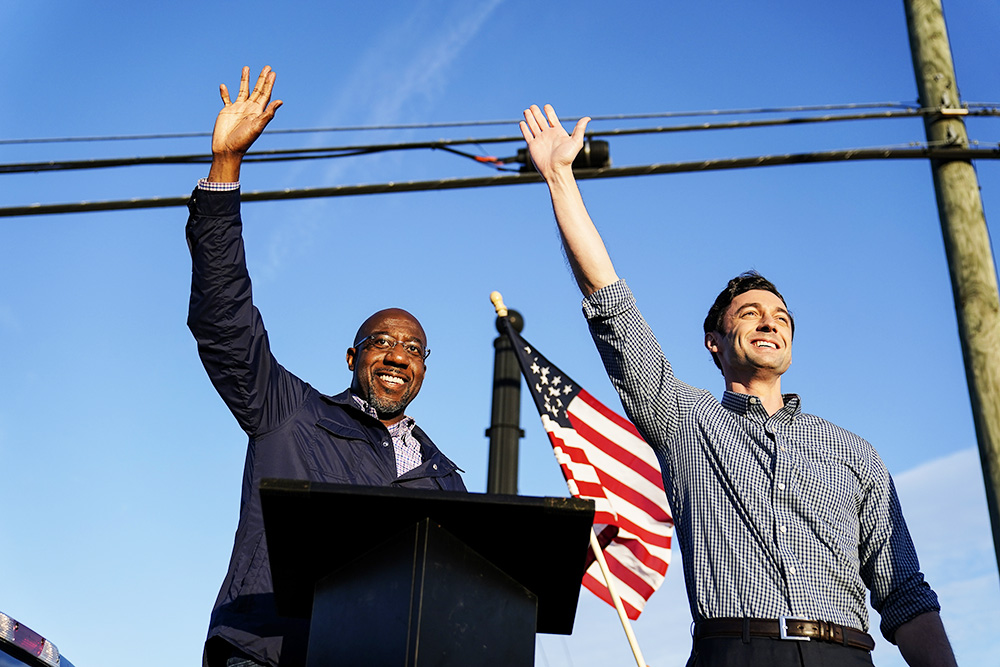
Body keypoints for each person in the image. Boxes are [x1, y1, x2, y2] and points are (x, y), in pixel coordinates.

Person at [519, 103, 958, 667]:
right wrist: (560, 179)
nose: (769, 320)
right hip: (733, 650)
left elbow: (907, 596)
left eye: (779, 314)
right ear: (715, 342)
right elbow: (609, 301)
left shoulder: (856, 454)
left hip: (846, 654)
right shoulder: (684, 419)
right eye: (749, 313)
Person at [187, 66, 467, 667]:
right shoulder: (289, 414)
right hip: (266, 654)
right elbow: (224, 320)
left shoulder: (445, 479)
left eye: (413, 349)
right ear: (353, 357)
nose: (397, 355)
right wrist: (225, 170)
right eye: (381, 341)